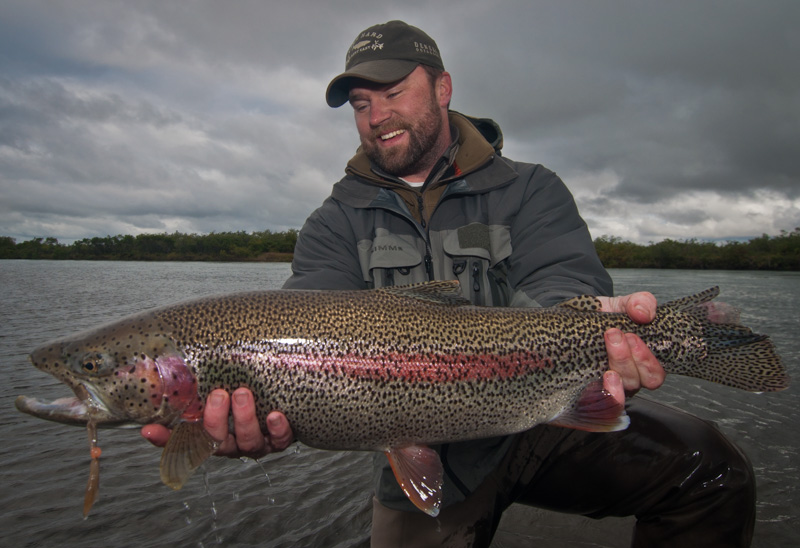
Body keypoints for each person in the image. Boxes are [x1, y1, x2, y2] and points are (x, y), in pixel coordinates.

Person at [143, 20, 756, 547]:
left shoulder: (530, 188)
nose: (376, 115)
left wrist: (585, 337)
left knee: (713, 470)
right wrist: (257, 410)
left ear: (442, 87)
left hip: (538, 412)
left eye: (392, 92)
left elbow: (562, 277)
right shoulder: (333, 223)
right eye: (361, 103)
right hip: (412, 439)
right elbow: (296, 325)